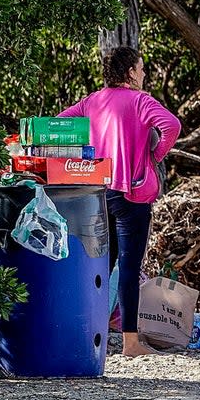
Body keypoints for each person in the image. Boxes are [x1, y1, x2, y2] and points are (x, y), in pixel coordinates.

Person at [59, 46, 181, 357]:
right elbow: (172, 125)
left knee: (100, 263)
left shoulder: (92, 101)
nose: (143, 74)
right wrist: (154, 156)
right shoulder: (141, 101)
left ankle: (87, 332)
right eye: (141, 69)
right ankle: (130, 343)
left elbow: (60, 123)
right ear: (130, 72)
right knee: (128, 266)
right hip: (132, 192)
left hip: (98, 193)